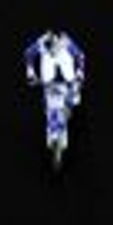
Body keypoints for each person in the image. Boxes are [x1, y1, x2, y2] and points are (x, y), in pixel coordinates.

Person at [24, 30, 86, 170]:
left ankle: (65, 118)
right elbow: (28, 53)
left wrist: (80, 74)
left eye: (54, 48)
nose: (52, 51)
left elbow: (81, 56)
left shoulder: (67, 43)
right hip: (50, 84)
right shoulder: (42, 45)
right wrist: (31, 73)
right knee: (51, 109)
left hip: (68, 83)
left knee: (71, 103)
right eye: (50, 49)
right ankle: (53, 133)